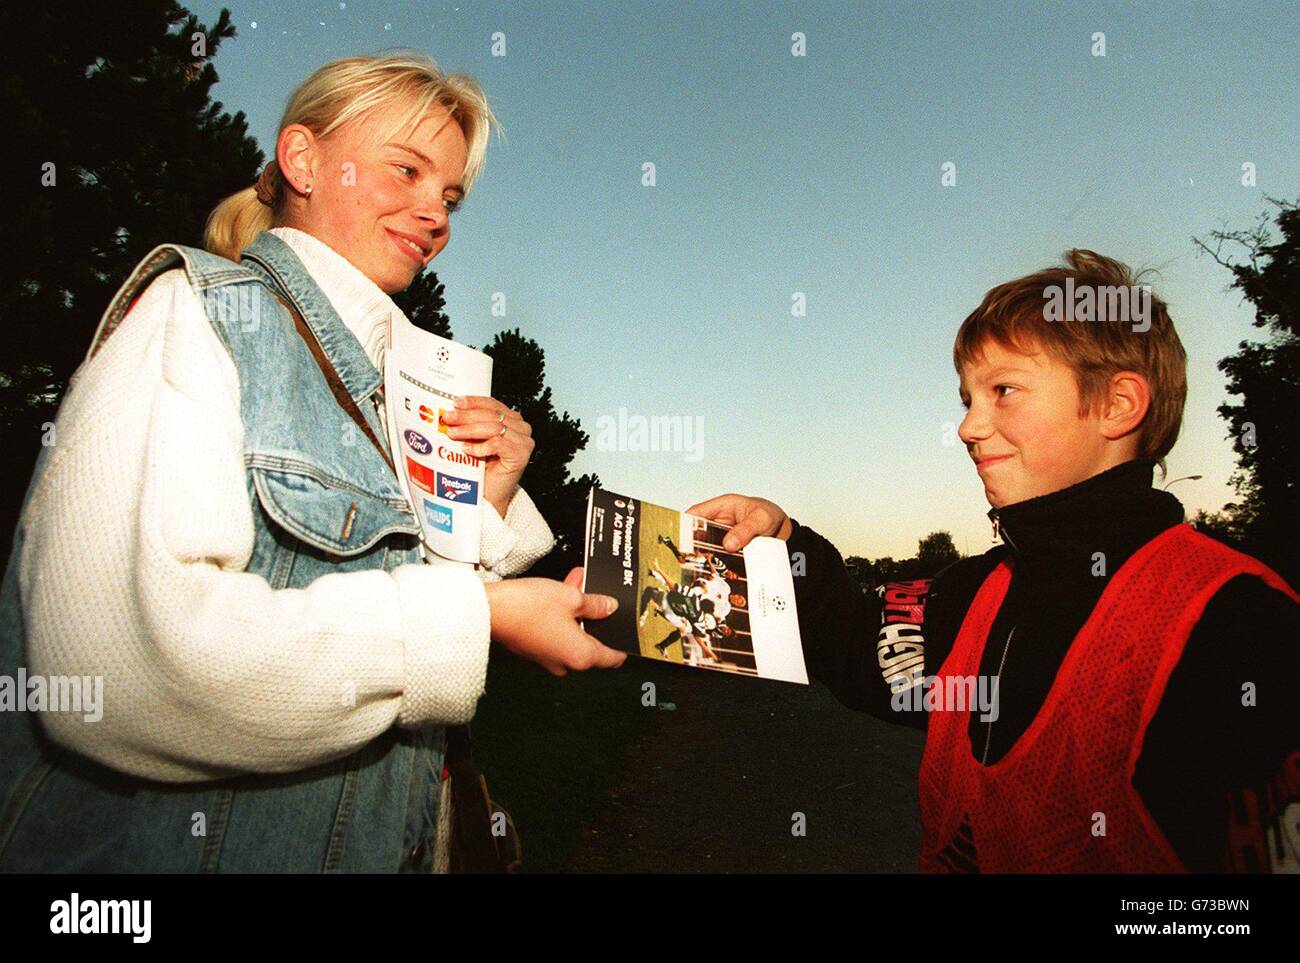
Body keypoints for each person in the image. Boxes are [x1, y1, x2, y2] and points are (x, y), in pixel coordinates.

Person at [0, 52, 625, 873]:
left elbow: (379, 590)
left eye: (450, 197)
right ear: (302, 159)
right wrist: (484, 618)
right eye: (408, 170)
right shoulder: (193, 315)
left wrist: (487, 507)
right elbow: (113, 673)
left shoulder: (396, 381)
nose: (434, 214)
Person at [691, 250, 1299, 873]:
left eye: (1003, 391)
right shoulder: (974, 592)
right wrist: (784, 543)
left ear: (1119, 405)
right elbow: (858, 648)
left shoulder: (1238, 623)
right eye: (967, 399)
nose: (967, 428)